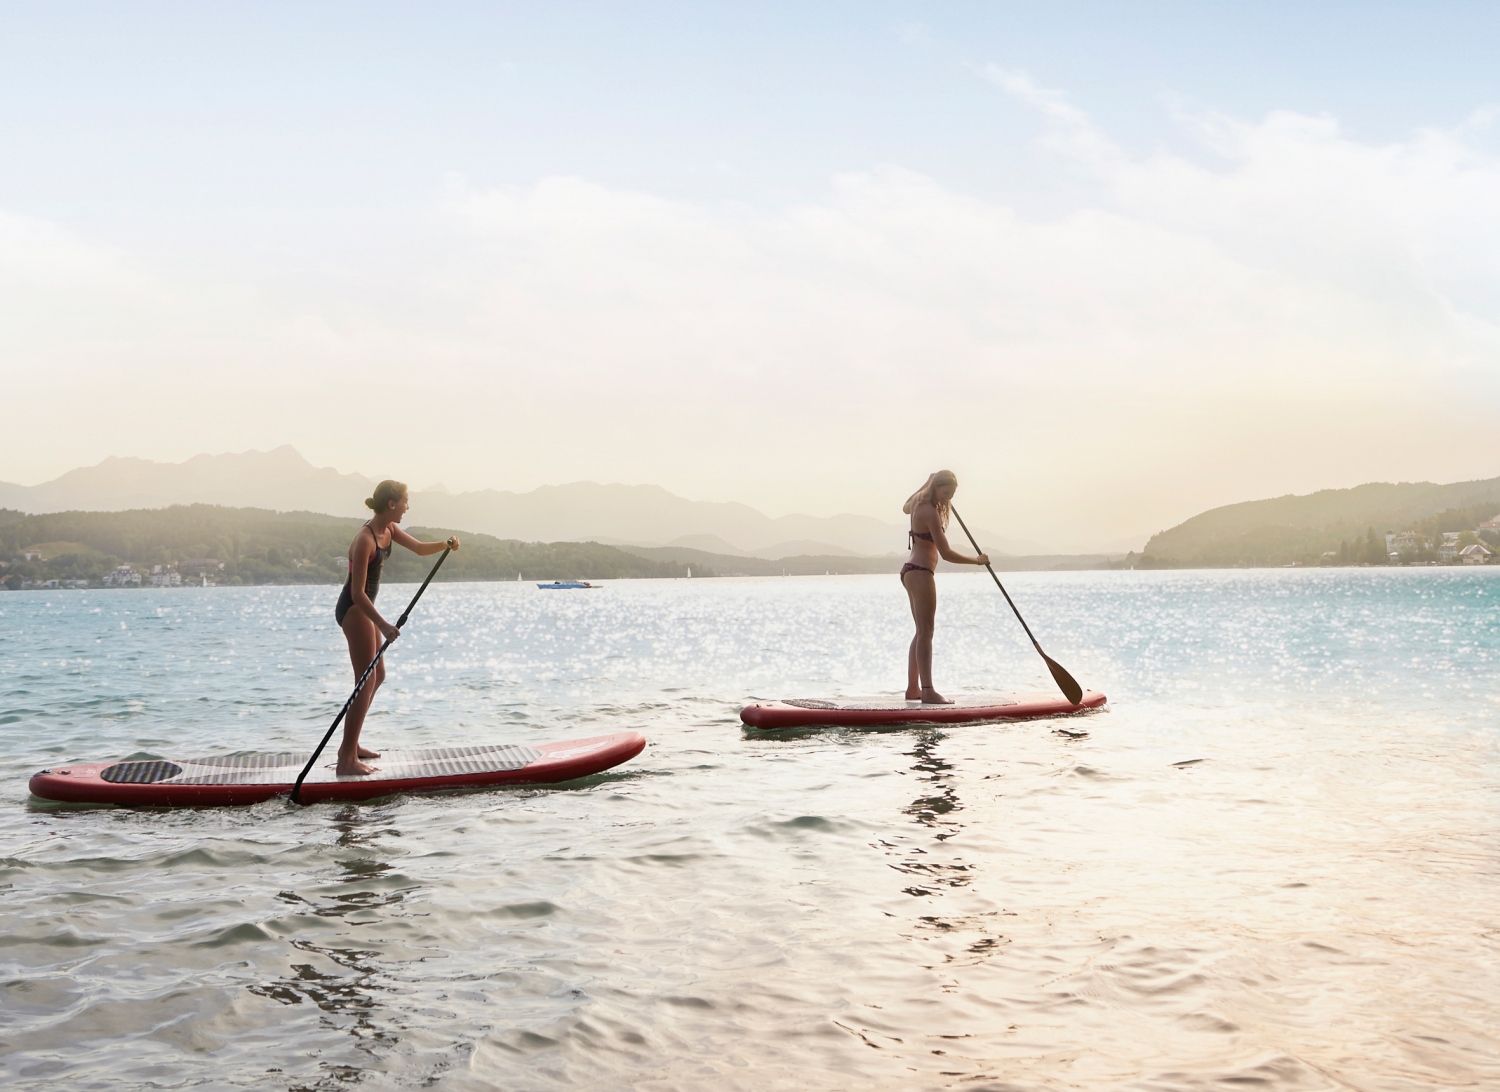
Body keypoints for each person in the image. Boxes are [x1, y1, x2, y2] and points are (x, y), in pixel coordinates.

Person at [334, 480, 459, 775]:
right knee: (365, 679)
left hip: (364, 610)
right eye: (405, 501)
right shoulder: (365, 539)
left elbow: (417, 548)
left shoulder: (388, 529)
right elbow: (357, 594)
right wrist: (385, 624)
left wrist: (445, 544)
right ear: (391, 504)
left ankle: (351, 746)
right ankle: (346, 759)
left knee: (377, 676)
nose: (407, 507)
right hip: (354, 609)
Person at [900, 470, 988, 704]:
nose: (948, 498)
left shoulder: (918, 502)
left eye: (952, 494)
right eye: (945, 492)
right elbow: (946, 553)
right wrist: (977, 561)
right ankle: (927, 690)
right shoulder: (930, 512)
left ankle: (913, 689)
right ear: (935, 488)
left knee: (921, 632)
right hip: (920, 573)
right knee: (926, 632)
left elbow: (905, 507)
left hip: (910, 572)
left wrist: (927, 483)